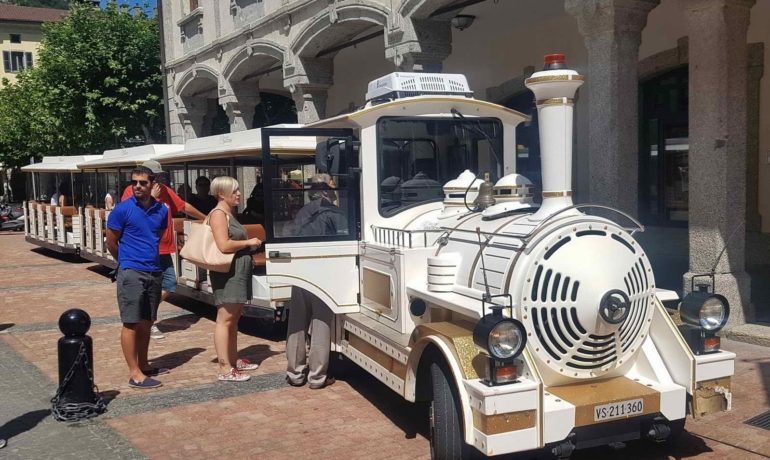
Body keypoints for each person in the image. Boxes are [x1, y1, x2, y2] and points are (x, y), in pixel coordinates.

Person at [121, 160, 206, 339]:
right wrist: (153, 197)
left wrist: (206, 218)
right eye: (155, 176)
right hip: (145, 250)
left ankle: (146, 316)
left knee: (169, 283)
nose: (159, 179)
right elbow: (133, 215)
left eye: (160, 176)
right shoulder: (132, 191)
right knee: (148, 287)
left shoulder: (165, 190)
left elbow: (182, 206)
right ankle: (146, 320)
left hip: (164, 249)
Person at [106, 166, 169, 389]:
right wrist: (125, 262)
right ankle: (134, 374)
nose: (138, 186)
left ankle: (143, 364)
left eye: (143, 182)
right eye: (134, 182)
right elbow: (111, 241)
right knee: (131, 321)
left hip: (154, 270)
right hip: (132, 271)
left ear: (153, 184)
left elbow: (156, 236)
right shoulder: (122, 209)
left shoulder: (162, 210)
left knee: (147, 321)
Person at [285, 174, 343, 389]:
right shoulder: (333, 213)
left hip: (300, 271)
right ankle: (317, 377)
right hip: (323, 274)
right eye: (333, 185)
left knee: (297, 324)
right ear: (326, 189)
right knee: (320, 325)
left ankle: (295, 373)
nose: (336, 188)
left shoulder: (303, 211)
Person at [208, 176, 262, 382]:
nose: (239, 194)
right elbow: (224, 245)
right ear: (222, 194)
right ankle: (225, 368)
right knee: (225, 318)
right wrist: (248, 242)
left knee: (234, 317)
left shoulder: (229, 213)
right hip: (229, 271)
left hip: (238, 269)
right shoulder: (219, 214)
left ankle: (232, 359)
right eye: (234, 190)